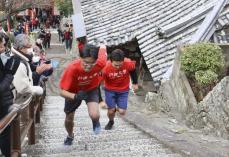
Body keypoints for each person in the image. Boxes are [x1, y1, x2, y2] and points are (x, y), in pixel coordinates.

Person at [59, 44, 107, 145]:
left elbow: (103, 48)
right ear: (80, 58)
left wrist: (102, 45)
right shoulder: (72, 69)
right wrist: (75, 96)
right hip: (73, 92)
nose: (89, 66)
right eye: (85, 62)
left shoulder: (101, 62)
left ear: (96, 60)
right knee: (69, 118)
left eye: (92, 63)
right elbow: (61, 92)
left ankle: (95, 121)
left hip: (91, 89)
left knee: (95, 115)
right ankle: (70, 136)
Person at [103, 49, 138, 130]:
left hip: (123, 90)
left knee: (122, 112)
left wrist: (135, 83)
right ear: (111, 61)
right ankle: (111, 121)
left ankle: (112, 108)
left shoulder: (128, 63)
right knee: (111, 112)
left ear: (123, 61)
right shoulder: (105, 68)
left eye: (120, 65)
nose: (118, 67)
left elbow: (133, 70)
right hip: (110, 90)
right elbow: (98, 82)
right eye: (116, 65)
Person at [0, 33, 20, 157]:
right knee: (4, 134)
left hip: (4, 101)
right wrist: (9, 72)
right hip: (2, 103)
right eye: (1, 45)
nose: (3, 48)